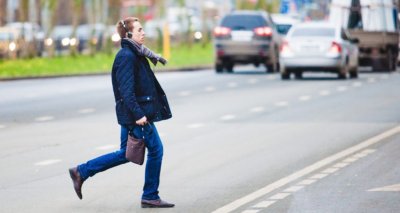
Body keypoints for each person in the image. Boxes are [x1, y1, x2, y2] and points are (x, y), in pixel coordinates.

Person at [68, 17, 174, 208]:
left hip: (134, 114)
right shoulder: (127, 56)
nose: (144, 33)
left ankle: (81, 171)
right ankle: (150, 195)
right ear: (129, 34)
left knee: (126, 154)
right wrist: (139, 115)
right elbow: (126, 91)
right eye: (140, 30)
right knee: (156, 150)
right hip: (137, 116)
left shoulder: (137, 53)